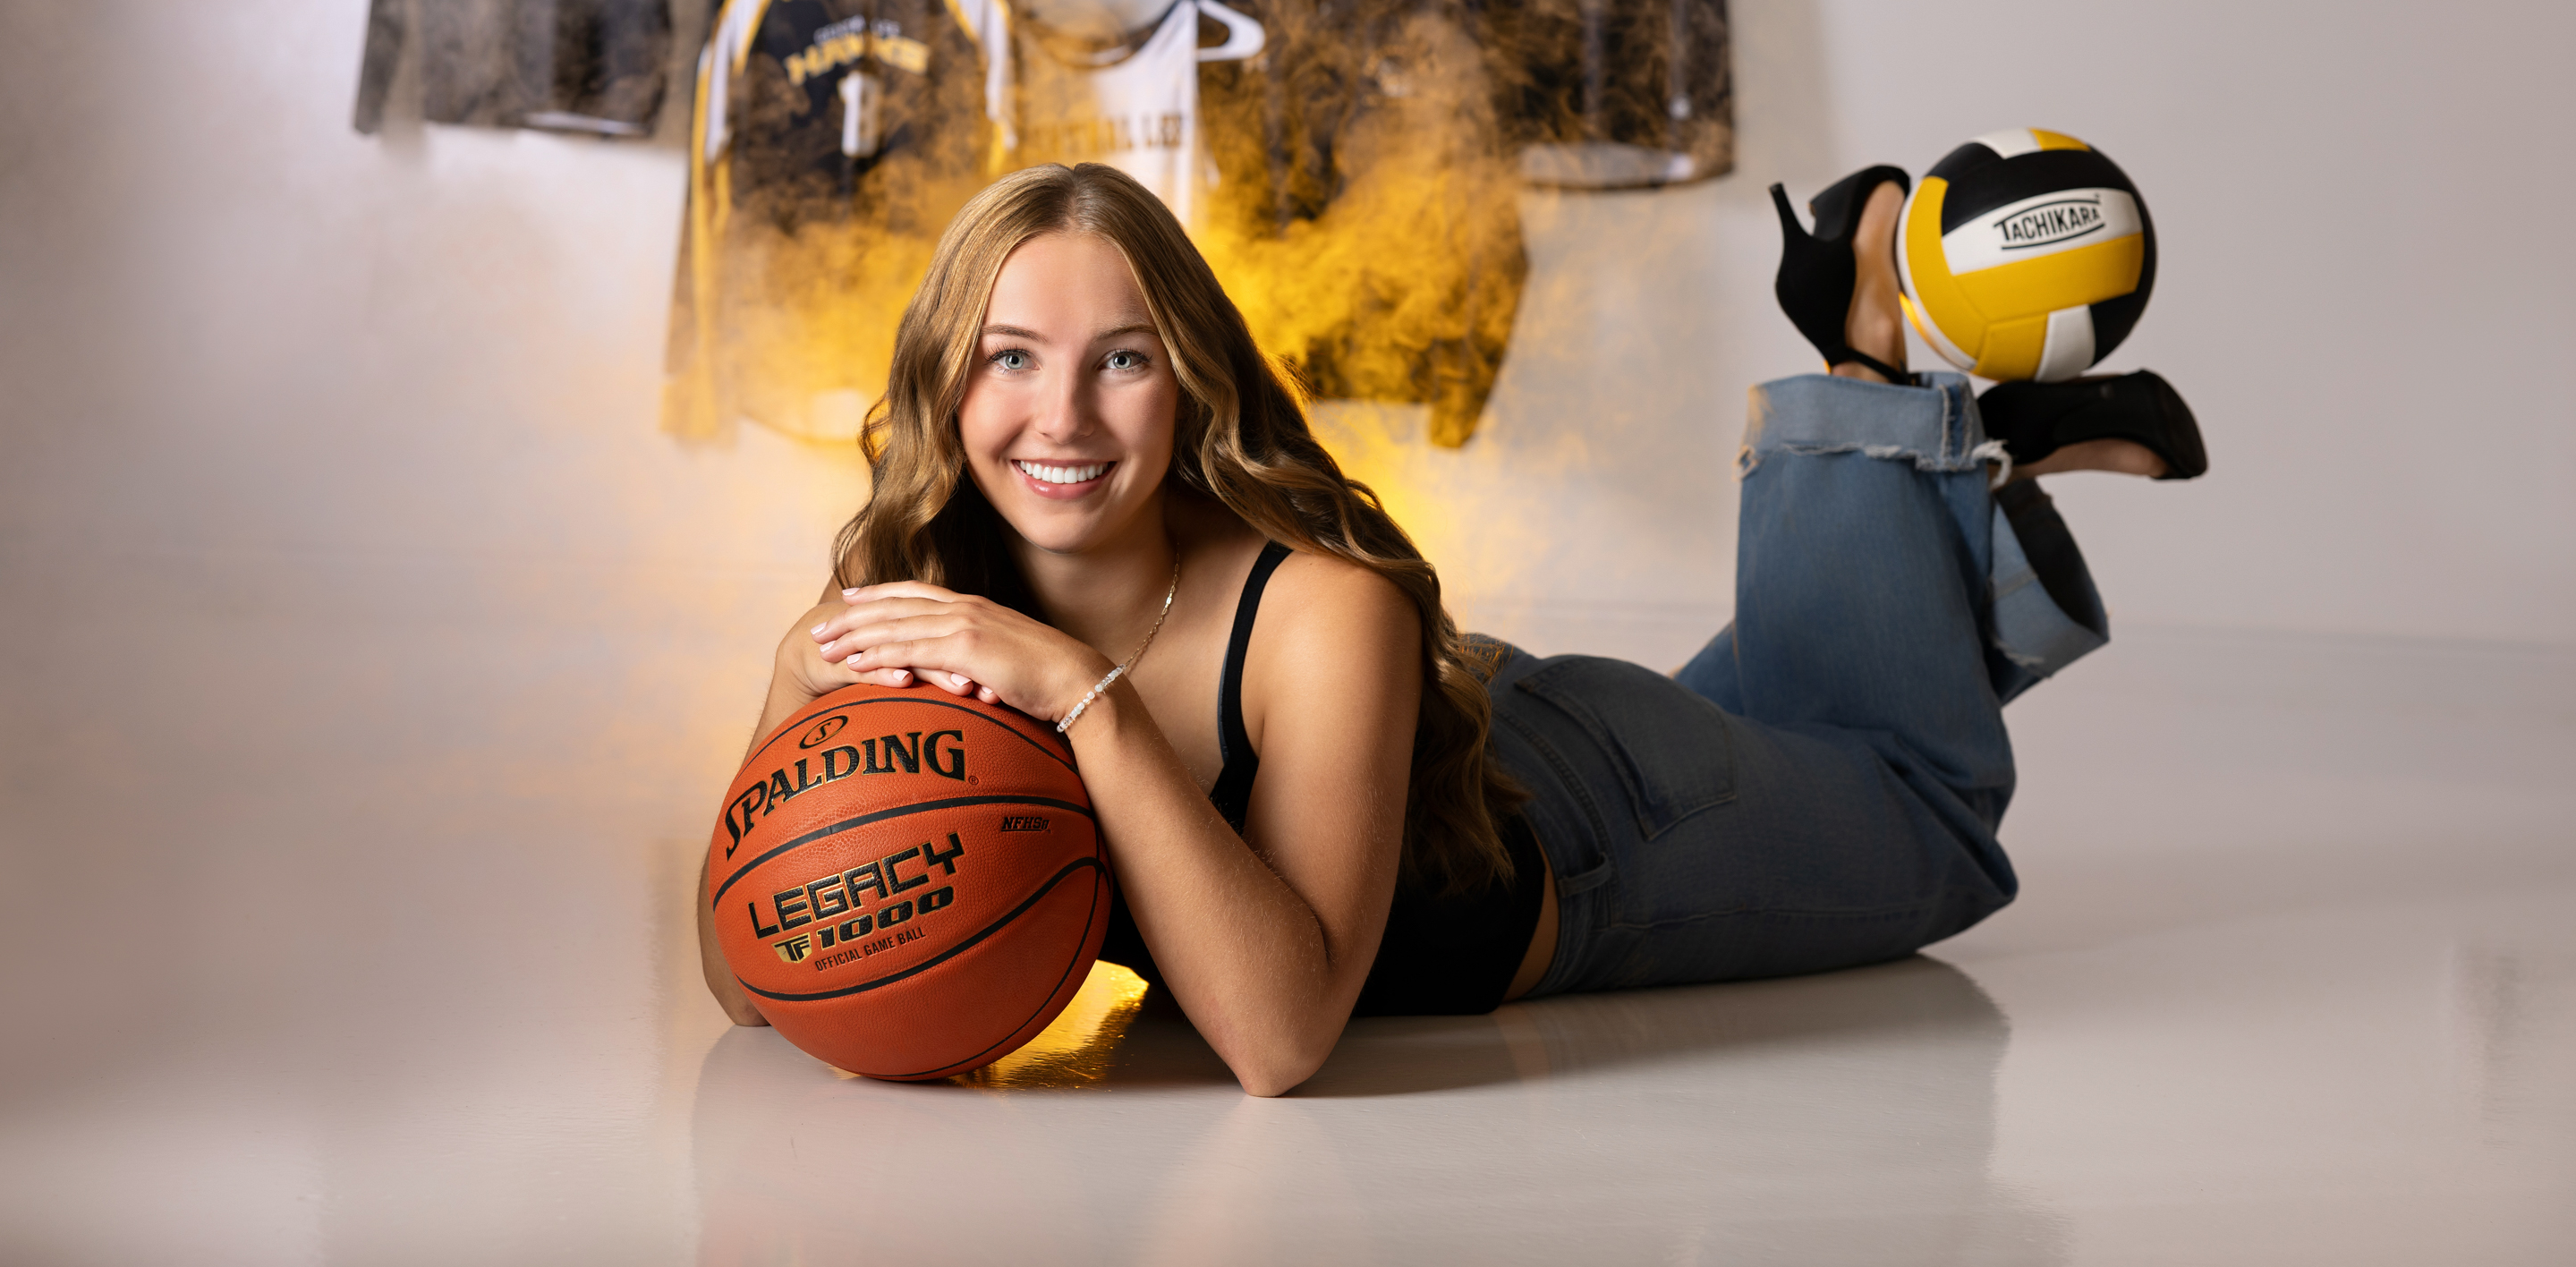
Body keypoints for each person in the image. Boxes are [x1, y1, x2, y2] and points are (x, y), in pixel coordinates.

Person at [696, 160, 2207, 1096]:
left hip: (1595, 821)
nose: (1062, 416)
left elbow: (1282, 1042)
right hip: (1423, 738)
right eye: (1010, 356)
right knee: (1814, 709)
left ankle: (1869, 380)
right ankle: (1959, 499)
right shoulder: (915, 612)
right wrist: (789, 685)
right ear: (946, 382)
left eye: (1126, 360)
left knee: (1922, 806)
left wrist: (1083, 691)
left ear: (1194, 381)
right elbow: (742, 978)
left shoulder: (1322, 604)